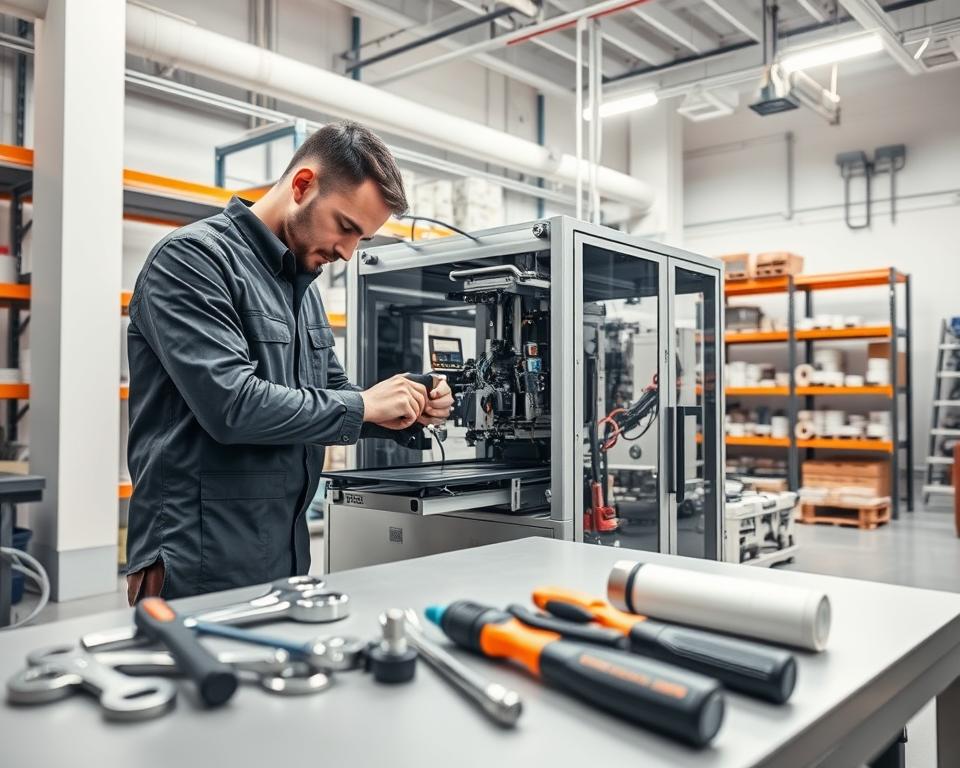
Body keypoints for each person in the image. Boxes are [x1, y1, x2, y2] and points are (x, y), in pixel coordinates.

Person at [125, 121, 452, 602]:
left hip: (285, 548)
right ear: (302, 185)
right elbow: (232, 405)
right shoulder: (193, 260)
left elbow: (336, 393)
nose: (346, 252)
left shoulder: (302, 286)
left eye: (362, 239)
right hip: (200, 556)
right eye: (346, 227)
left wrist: (404, 407)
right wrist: (366, 406)